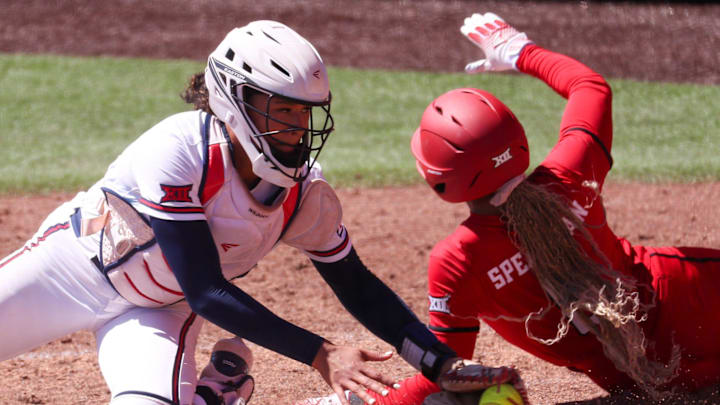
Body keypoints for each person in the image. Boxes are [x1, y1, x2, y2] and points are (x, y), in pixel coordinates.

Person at [0, 20, 529, 405]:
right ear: (233, 100)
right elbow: (209, 288)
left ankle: (211, 396)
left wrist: (439, 363)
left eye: (304, 113)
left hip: (158, 313)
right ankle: (219, 392)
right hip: (69, 270)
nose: (298, 128)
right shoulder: (179, 149)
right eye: (282, 110)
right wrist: (321, 353)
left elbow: (358, 286)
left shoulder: (305, 194)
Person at [353, 11, 720, 405]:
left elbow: (444, 370)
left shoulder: (458, 261)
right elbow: (590, 87)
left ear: (440, 179)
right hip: (694, 296)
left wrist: (365, 402)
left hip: (645, 381)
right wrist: (518, 50)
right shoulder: (571, 173)